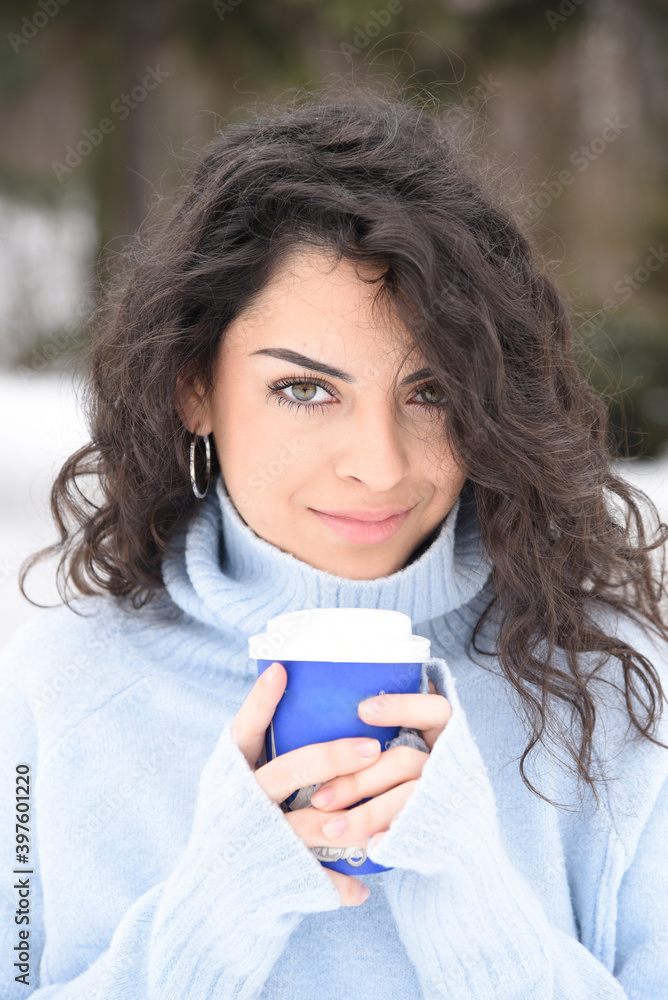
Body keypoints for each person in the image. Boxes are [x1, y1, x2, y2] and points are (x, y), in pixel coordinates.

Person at [1, 82, 667, 1000]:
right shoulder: (50, 691)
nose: (380, 466)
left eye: (431, 393)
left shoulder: (613, 691)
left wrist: (480, 916)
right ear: (194, 384)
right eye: (305, 390)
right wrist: (211, 918)